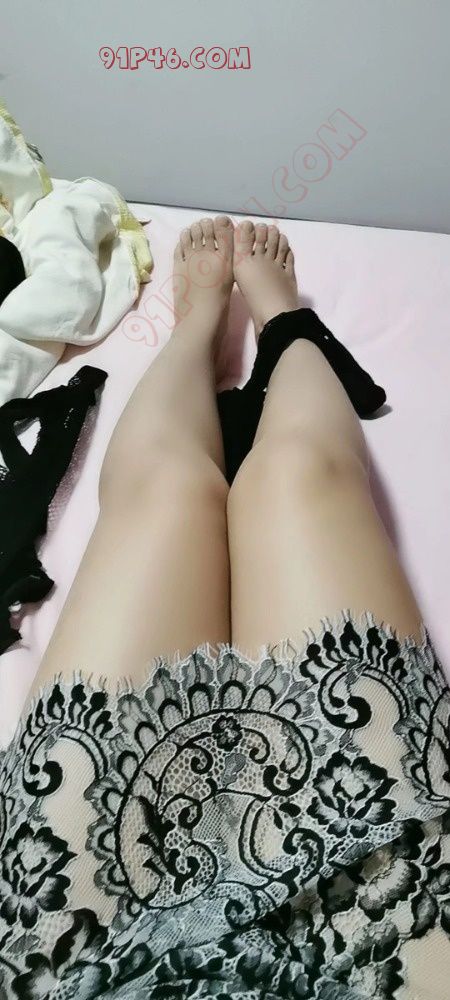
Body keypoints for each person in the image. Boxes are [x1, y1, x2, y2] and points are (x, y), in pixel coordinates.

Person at [0, 216, 449, 999]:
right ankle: (254, 323)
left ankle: (225, 324)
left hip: (75, 973)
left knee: (166, 495)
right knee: (296, 477)